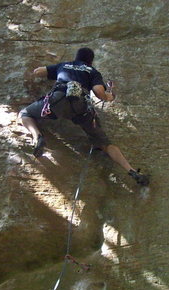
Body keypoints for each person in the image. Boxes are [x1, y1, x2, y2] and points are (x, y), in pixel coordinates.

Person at [18, 47, 150, 186]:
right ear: (91, 61)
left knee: (24, 114)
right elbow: (99, 91)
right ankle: (131, 170)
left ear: (76, 57)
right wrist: (109, 97)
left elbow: (39, 72)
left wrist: (44, 71)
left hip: (58, 101)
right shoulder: (92, 71)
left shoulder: (64, 65)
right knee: (105, 143)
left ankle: (37, 136)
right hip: (81, 108)